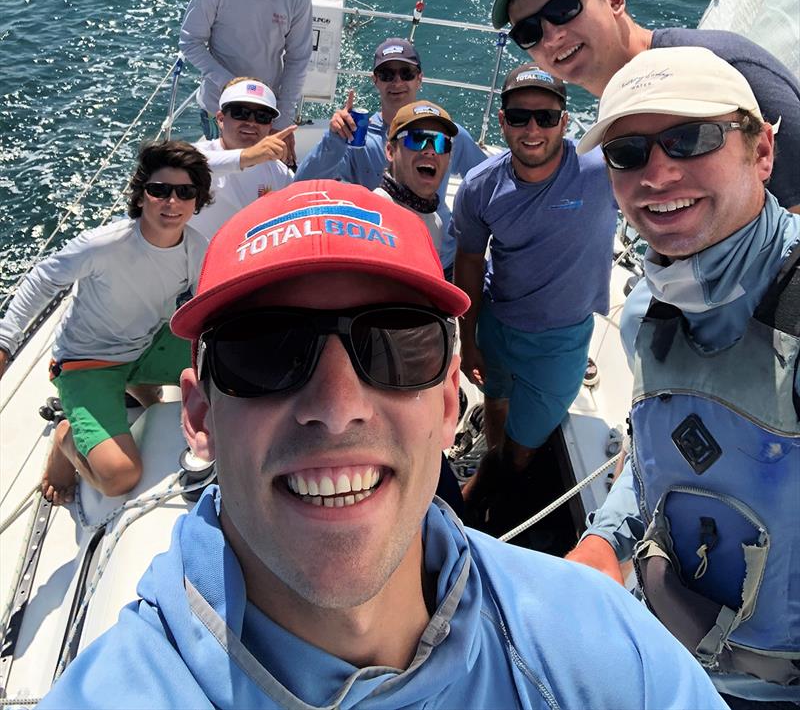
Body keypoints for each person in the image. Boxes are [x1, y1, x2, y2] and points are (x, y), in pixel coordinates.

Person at [39, 179, 725, 710]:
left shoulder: (602, 648)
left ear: (450, 398)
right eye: (265, 350)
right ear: (200, 417)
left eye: (397, 345)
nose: (337, 408)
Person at [565, 46, 800, 709]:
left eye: (690, 139)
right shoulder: (649, 304)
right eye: (628, 152)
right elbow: (651, 453)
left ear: (762, 153)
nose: (658, 172)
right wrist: (603, 542)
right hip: (669, 661)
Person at [490, 0, 800, 211]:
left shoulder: (727, 72)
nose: (551, 36)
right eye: (528, 31)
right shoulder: (622, 102)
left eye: (563, 8)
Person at [452, 64, 617, 532]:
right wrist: (468, 339)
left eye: (545, 118)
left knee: (521, 453)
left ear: (566, 122)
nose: (532, 129)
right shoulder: (481, 185)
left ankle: (483, 494)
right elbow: (468, 262)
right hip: (497, 325)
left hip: (561, 343)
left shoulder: (602, 172)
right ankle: (491, 468)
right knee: (497, 402)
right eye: (520, 116)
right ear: (502, 121)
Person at [0, 141, 211, 504]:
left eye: (184, 192)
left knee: (223, 365)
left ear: (197, 200)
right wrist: (4, 343)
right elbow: (42, 281)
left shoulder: (197, 247)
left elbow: (204, 306)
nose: (171, 202)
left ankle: (136, 383)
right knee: (119, 476)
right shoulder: (101, 245)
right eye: (159, 190)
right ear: (142, 194)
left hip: (144, 345)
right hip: (88, 363)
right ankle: (65, 439)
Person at [296, 37, 486, 272]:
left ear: (419, 79)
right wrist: (335, 139)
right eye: (387, 74)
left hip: (441, 258)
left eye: (406, 73)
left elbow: (487, 183)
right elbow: (301, 187)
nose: (397, 82)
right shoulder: (355, 135)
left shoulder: (449, 133)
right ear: (375, 81)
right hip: (381, 256)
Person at [179, 0, 313, 156]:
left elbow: (298, 59)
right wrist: (230, 84)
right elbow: (190, 42)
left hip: (267, 111)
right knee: (221, 181)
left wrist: (283, 120)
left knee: (262, 182)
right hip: (219, 106)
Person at [189, 77, 295, 241]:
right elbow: (173, 164)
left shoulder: (280, 174)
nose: (252, 122)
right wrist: (248, 156)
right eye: (241, 113)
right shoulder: (196, 155)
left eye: (262, 116)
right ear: (221, 119)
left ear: (270, 126)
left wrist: (333, 141)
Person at [372, 100, 460, 260]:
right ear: (390, 151)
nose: (430, 151)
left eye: (441, 143)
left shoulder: (435, 224)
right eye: (417, 139)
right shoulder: (371, 214)